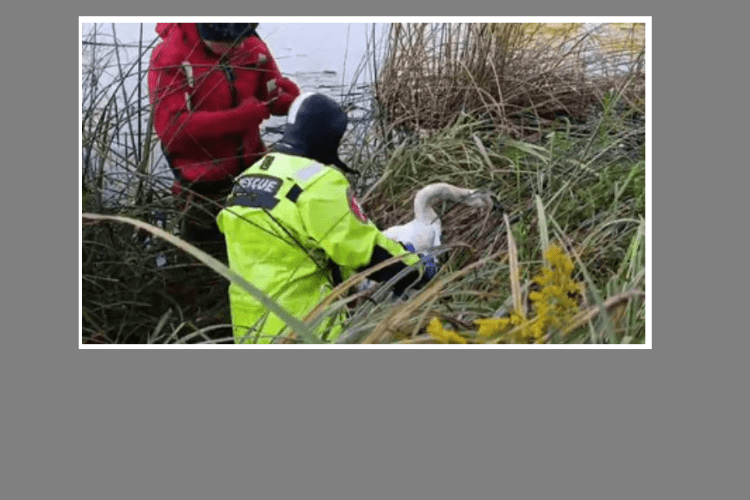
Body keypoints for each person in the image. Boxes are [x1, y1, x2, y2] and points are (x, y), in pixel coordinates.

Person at [216, 93, 436, 344]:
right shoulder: (319, 182)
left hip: (249, 328)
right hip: (306, 328)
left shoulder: (246, 179)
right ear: (328, 137)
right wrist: (416, 268)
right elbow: (365, 253)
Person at [148, 23, 300, 260]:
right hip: (202, 192)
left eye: (244, 37)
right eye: (230, 42)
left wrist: (289, 102)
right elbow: (173, 131)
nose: (240, 46)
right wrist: (240, 118)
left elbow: (269, 95)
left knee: (264, 256)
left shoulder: (249, 41)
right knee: (209, 268)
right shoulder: (171, 56)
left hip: (254, 178)